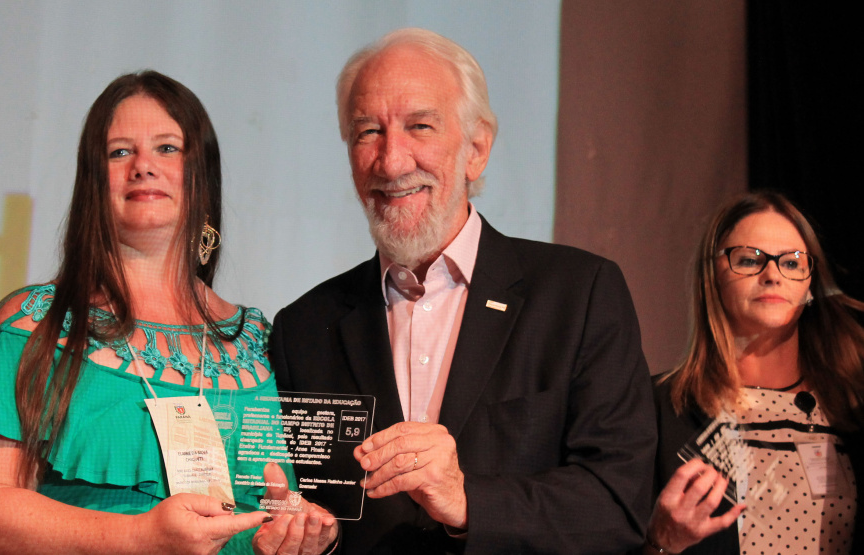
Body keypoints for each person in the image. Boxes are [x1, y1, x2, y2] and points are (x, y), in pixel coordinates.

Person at [267, 28, 656, 554]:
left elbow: (617, 504)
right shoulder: (304, 328)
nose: (392, 161)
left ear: (476, 149)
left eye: (420, 126)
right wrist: (314, 540)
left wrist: (467, 501)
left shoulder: (579, 295)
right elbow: (320, 516)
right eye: (368, 132)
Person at [0, 71, 335, 554]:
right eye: (119, 152)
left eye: (167, 148)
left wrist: (301, 532)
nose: (143, 166)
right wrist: (140, 537)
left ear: (202, 175)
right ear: (92, 182)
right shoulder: (34, 325)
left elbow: (280, 505)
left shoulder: (261, 342)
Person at [647, 191, 864, 554]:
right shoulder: (658, 407)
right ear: (712, 277)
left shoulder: (851, 405)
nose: (772, 275)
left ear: (811, 283)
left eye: (792, 263)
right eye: (750, 260)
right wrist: (661, 544)